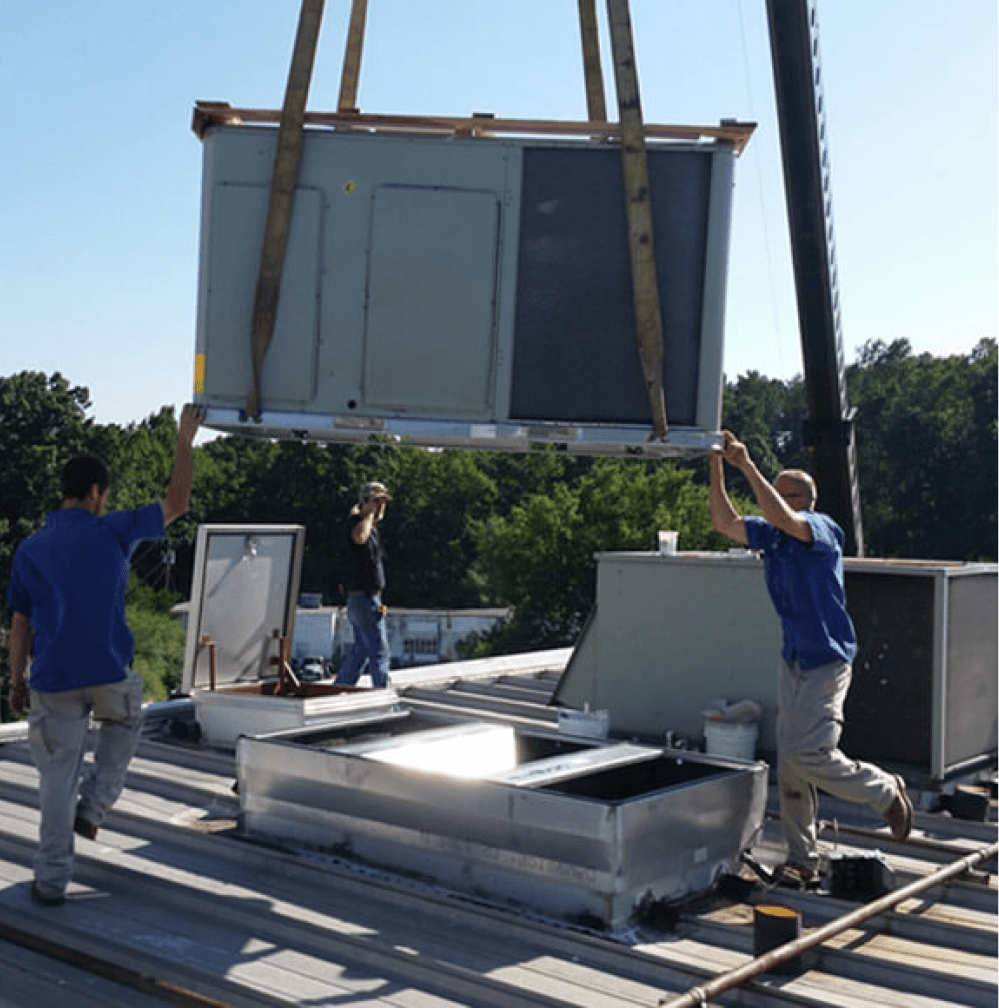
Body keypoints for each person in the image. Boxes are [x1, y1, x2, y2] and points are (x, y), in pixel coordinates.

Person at [6, 404, 204, 906]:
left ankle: (50, 882)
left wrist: (15, 682)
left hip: (52, 678)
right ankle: (94, 807)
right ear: (96, 494)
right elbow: (176, 502)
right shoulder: (113, 530)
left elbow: (20, 624)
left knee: (55, 778)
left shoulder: (31, 548)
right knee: (129, 717)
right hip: (108, 671)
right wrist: (185, 437)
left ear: (64, 492)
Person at [709, 429, 913, 887]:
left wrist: (748, 466)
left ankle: (884, 789)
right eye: (777, 492)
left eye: (787, 493)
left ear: (807, 499)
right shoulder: (775, 536)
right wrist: (716, 464)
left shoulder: (821, 529)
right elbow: (725, 523)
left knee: (810, 752)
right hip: (795, 658)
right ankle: (803, 855)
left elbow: (779, 516)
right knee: (791, 763)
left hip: (826, 659)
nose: (776, 500)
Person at [334, 481, 392, 689]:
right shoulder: (359, 524)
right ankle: (384, 695)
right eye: (376, 502)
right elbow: (359, 538)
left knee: (360, 649)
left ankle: (341, 687)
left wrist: (372, 516)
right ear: (365, 502)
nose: (380, 507)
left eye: (382, 503)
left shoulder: (364, 524)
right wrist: (367, 515)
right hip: (366, 599)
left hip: (361, 599)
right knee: (379, 653)